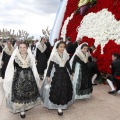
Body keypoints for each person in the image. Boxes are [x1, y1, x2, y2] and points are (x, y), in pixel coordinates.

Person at [3, 42, 41, 118]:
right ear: (18, 48)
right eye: (21, 47)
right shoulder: (15, 56)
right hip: (18, 77)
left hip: (29, 77)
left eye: (24, 47)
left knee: (27, 93)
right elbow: (11, 68)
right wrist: (10, 78)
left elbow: (33, 67)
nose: (22, 49)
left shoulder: (30, 56)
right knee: (20, 93)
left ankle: (25, 106)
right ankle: (22, 110)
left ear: (27, 48)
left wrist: (35, 76)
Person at [40, 41, 74, 116]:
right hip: (56, 74)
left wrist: (71, 73)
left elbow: (68, 65)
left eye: (63, 47)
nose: (62, 48)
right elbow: (50, 66)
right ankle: (58, 107)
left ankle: (62, 105)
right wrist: (48, 76)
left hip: (64, 74)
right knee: (57, 89)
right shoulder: (54, 56)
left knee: (64, 89)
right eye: (60, 47)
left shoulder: (66, 55)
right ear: (57, 47)